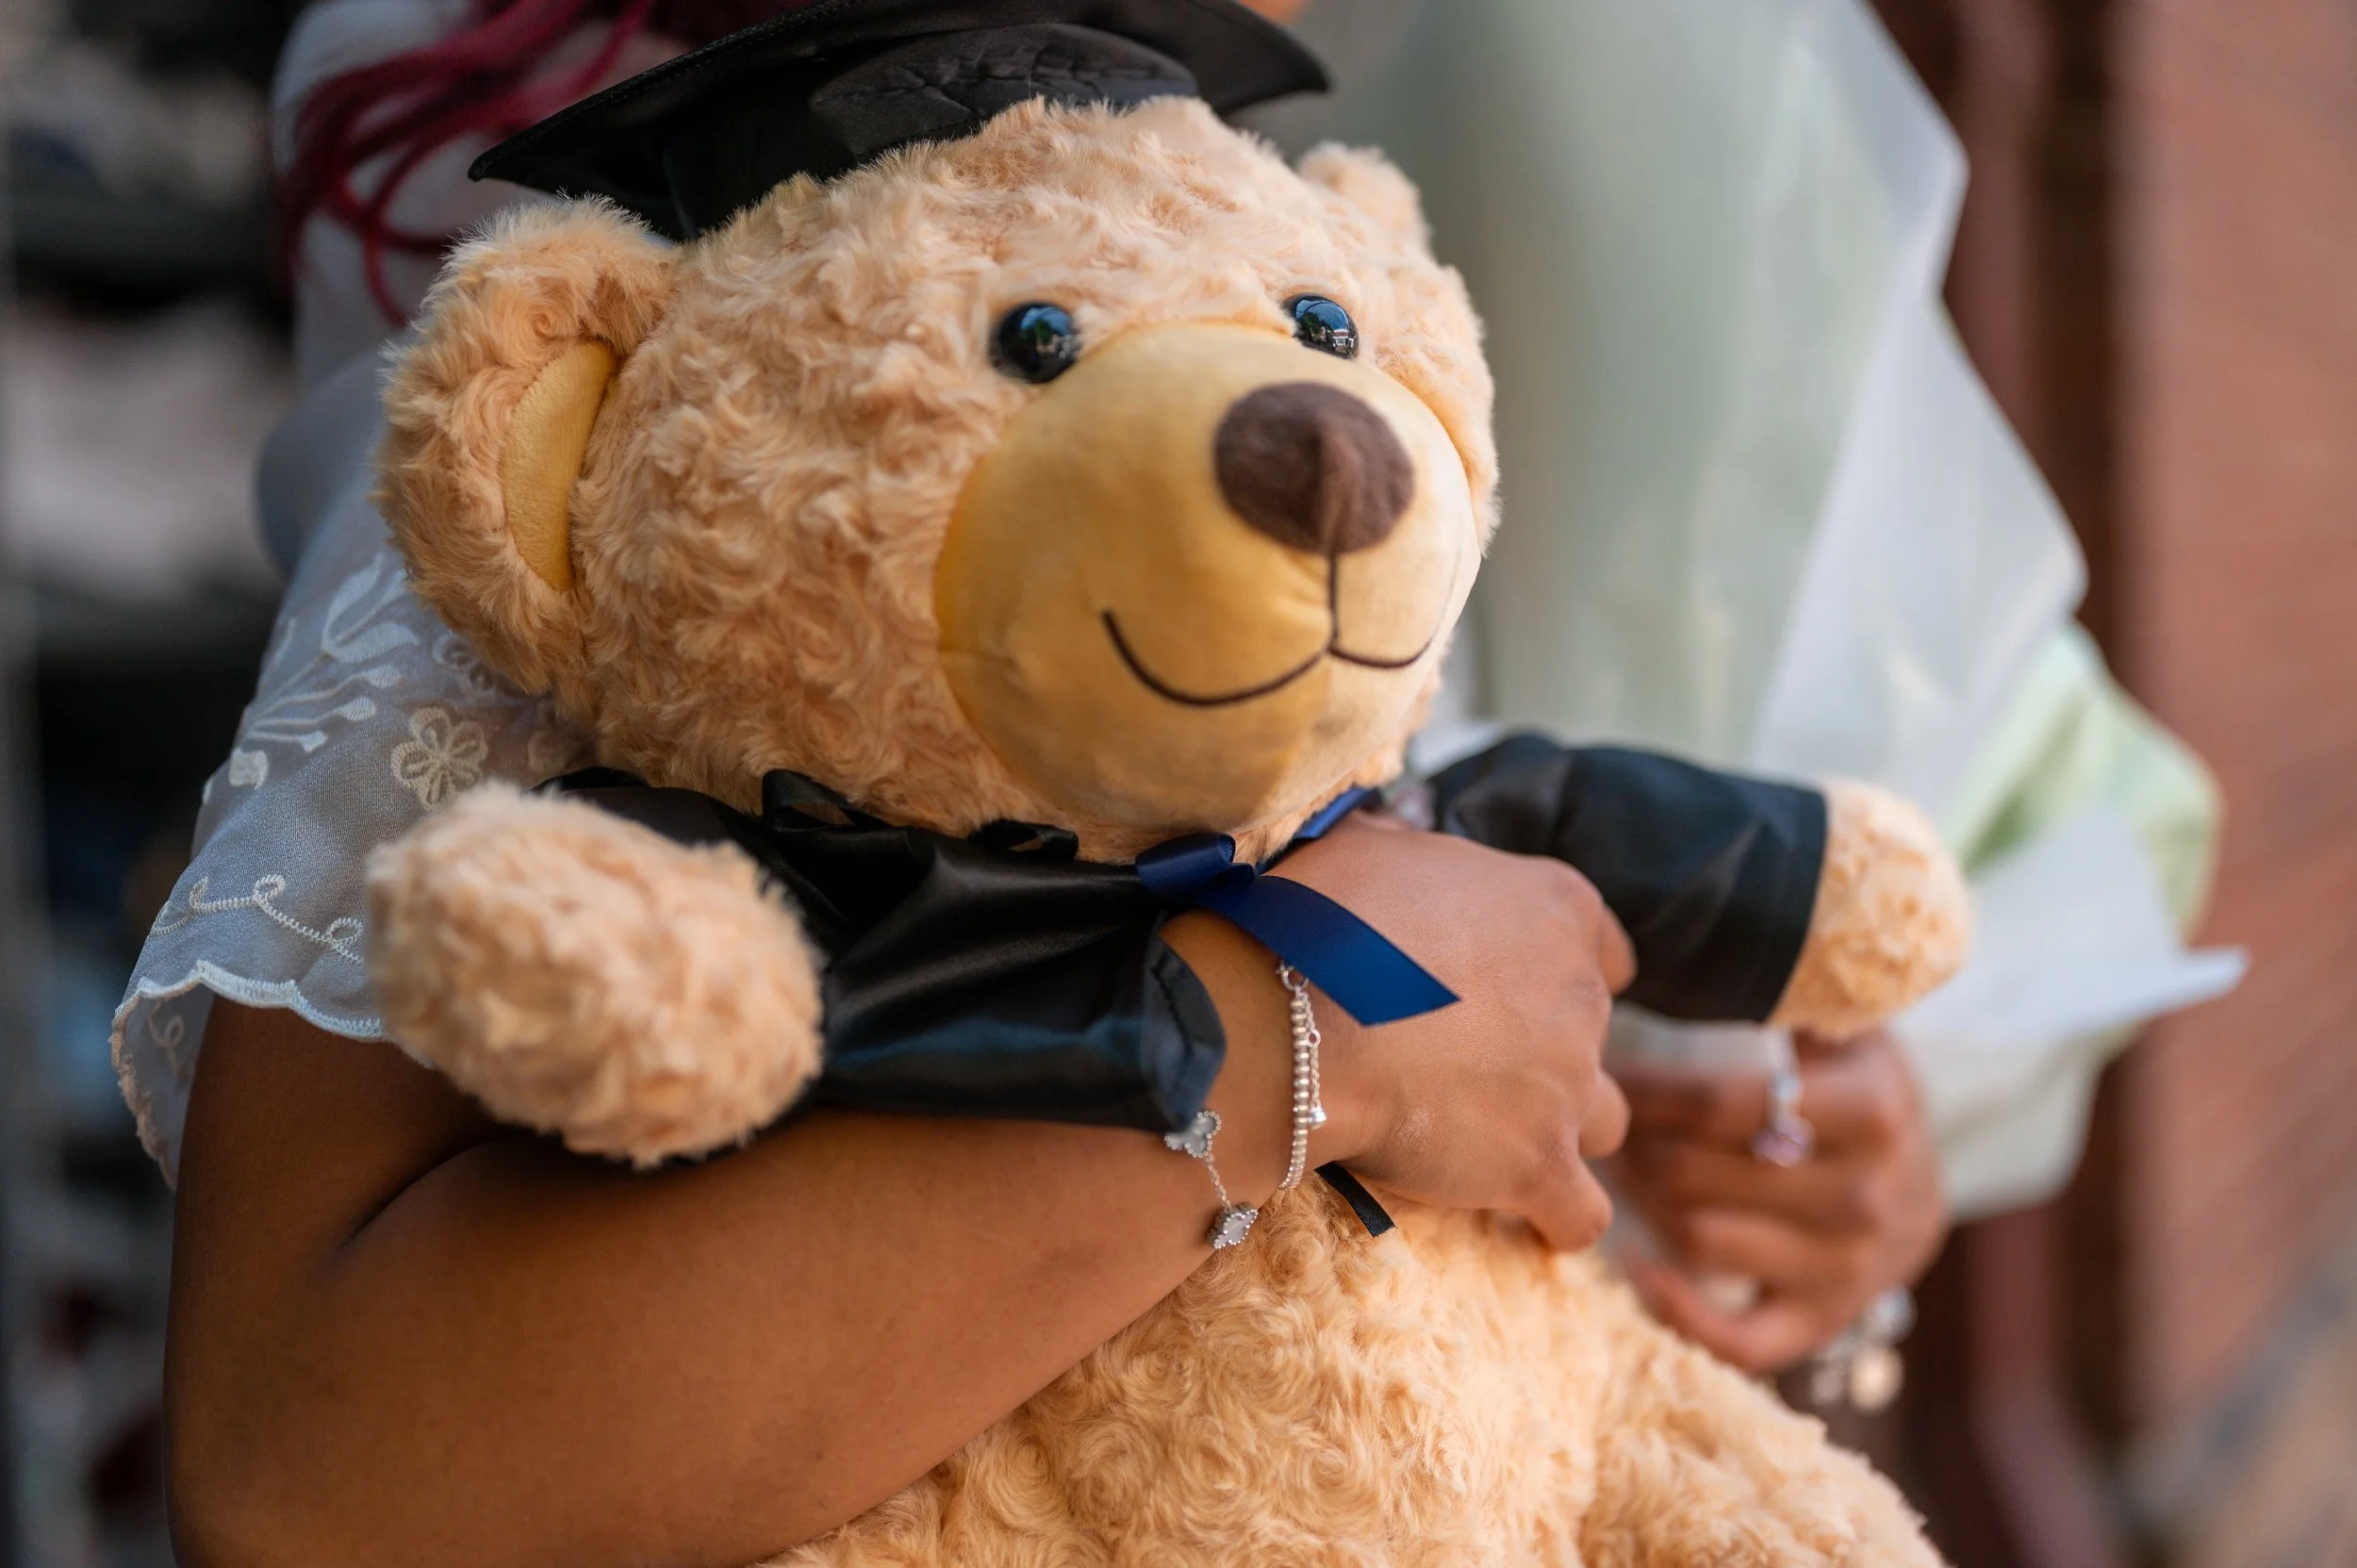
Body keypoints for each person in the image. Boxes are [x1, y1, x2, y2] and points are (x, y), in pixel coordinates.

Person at [140, 5, 1640, 1562]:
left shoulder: (1224, 215)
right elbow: (303, 1484)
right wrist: (1300, 1025)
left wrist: (1743, 1116)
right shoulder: (731, 353)